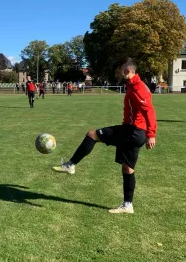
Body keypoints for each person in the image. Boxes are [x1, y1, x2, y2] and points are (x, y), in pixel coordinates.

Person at [52, 58, 157, 214]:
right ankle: (128, 205)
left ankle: (70, 165)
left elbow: (149, 110)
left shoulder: (138, 88)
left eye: (119, 71)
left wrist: (151, 134)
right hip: (134, 132)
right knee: (127, 169)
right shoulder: (133, 85)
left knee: (92, 134)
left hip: (132, 131)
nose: (117, 74)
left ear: (127, 71)